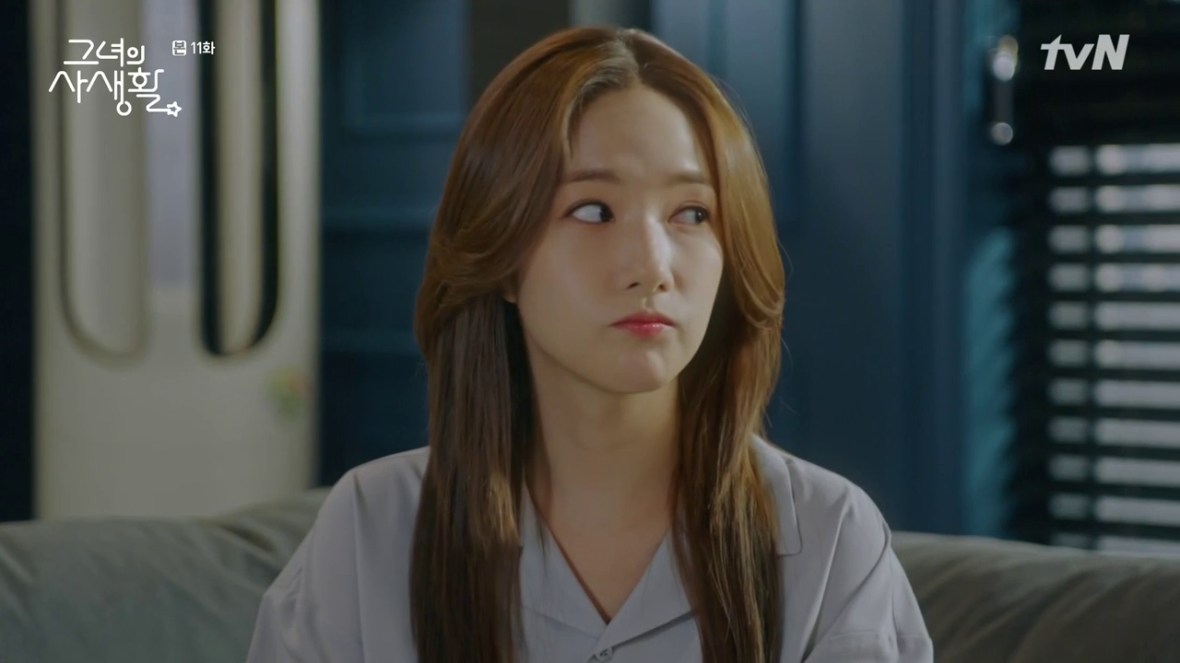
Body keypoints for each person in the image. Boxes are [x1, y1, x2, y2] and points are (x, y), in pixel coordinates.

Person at [246, 26, 933, 663]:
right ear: (501, 255)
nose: (652, 266)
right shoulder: (370, 530)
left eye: (692, 213)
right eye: (593, 211)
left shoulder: (830, 538)